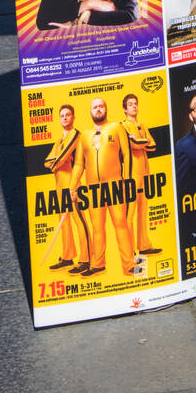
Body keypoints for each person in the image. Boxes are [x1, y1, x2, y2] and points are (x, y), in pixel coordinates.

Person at [69, 97, 136, 278]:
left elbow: (127, 155)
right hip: (93, 190)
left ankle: (131, 265)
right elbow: (78, 165)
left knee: (122, 225)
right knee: (97, 228)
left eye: (101, 106)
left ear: (106, 109)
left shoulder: (116, 128)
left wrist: (128, 181)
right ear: (90, 111)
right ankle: (98, 264)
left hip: (115, 186)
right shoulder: (84, 135)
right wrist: (72, 186)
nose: (98, 109)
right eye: (94, 107)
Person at [42, 104, 87, 272]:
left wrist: (55, 163)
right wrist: (54, 163)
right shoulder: (58, 141)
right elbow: (47, 161)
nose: (65, 117)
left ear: (73, 117)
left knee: (78, 219)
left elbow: (62, 157)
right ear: (59, 119)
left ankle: (85, 259)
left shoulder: (75, 134)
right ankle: (68, 257)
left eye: (68, 115)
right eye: (62, 115)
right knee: (64, 221)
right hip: (59, 184)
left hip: (71, 182)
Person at [121, 93, 161, 257]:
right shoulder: (122, 125)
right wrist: (142, 142)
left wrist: (140, 141)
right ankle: (129, 249)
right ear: (125, 109)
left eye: (135, 103)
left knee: (143, 211)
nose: (134, 106)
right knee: (129, 213)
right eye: (130, 104)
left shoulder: (142, 126)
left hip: (145, 173)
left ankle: (144, 245)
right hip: (131, 174)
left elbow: (153, 146)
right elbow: (134, 144)